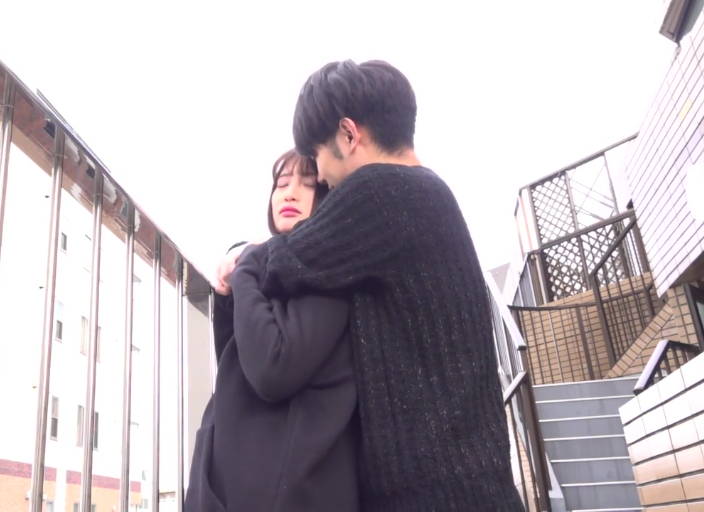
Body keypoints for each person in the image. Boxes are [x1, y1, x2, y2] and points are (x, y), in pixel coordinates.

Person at [215, 60, 524, 511]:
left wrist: (240, 256)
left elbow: (286, 258)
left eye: (317, 157)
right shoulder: (425, 192)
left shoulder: (382, 191)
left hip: (438, 496)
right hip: (467, 484)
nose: (322, 177)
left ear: (348, 134)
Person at [186, 150, 360, 512]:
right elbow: (237, 366)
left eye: (308, 184)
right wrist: (229, 295)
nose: (290, 193)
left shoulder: (328, 267)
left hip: (284, 491)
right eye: (281, 184)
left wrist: (247, 264)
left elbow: (272, 367)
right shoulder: (274, 269)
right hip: (233, 484)